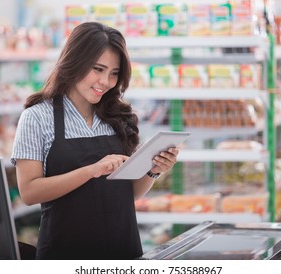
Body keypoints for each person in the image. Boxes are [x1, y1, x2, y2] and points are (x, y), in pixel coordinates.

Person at [10, 21, 179, 260]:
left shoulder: (120, 117)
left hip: (124, 251)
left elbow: (126, 194)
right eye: (97, 69)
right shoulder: (37, 117)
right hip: (65, 254)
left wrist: (153, 171)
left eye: (114, 73)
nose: (105, 82)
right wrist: (91, 170)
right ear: (74, 62)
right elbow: (29, 192)